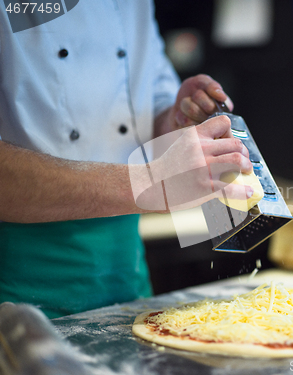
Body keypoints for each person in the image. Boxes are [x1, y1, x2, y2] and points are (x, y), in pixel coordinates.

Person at [0, 0, 253, 318]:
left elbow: (146, 99)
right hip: (17, 288)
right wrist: (149, 182)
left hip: (126, 270)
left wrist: (175, 118)